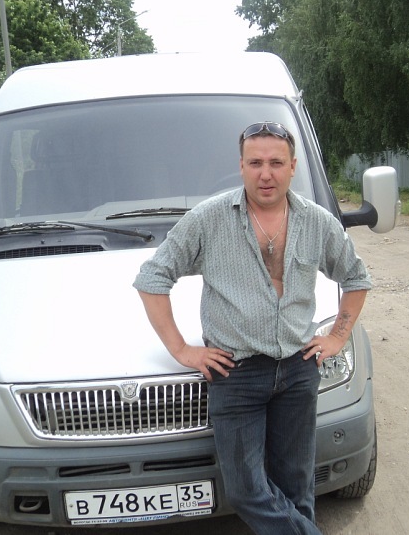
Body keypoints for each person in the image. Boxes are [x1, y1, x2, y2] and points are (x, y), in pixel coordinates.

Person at [133, 121, 371, 534]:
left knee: (296, 486)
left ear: (292, 167)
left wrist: (337, 337)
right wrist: (182, 350)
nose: (266, 174)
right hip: (236, 374)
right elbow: (152, 278)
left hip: (297, 368)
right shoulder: (208, 219)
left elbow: (355, 277)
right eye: (255, 163)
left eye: (276, 163)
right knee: (245, 490)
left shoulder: (317, 222)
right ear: (241, 165)